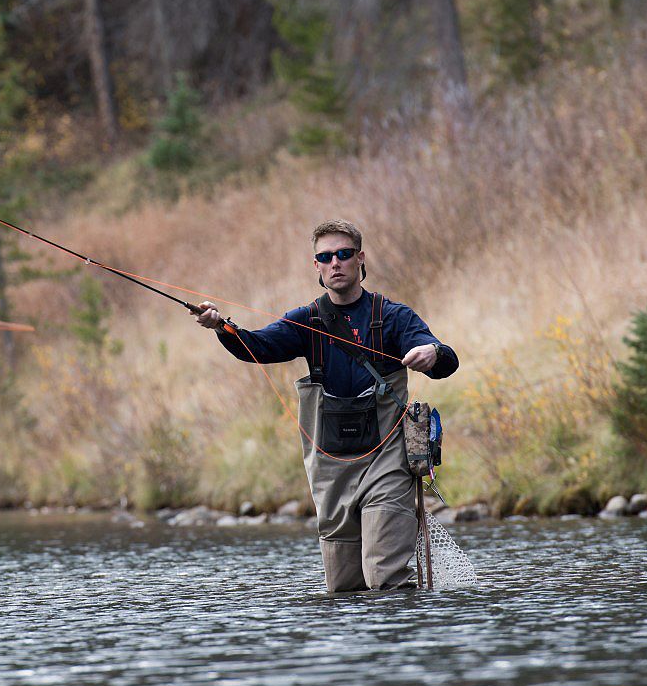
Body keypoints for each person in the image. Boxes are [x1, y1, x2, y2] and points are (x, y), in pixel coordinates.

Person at [193, 220, 458, 592]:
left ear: (360, 259)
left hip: (387, 465)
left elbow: (446, 360)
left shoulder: (393, 317)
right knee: (343, 588)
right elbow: (257, 346)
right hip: (331, 473)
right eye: (325, 256)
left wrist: (432, 352)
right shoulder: (306, 321)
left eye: (344, 254)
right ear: (315, 265)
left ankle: (402, 649)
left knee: (386, 578)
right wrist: (222, 327)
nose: (335, 262)